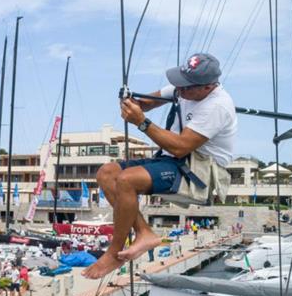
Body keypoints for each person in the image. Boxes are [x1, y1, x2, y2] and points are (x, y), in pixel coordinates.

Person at [82, 53, 237, 279]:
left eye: (185, 87)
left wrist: (141, 122)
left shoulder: (217, 107)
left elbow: (181, 147)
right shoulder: (185, 88)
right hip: (171, 160)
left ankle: (114, 254)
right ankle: (144, 232)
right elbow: (149, 102)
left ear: (207, 87)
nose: (179, 89)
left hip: (197, 170)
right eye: (178, 83)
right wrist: (132, 103)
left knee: (126, 180)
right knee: (107, 173)